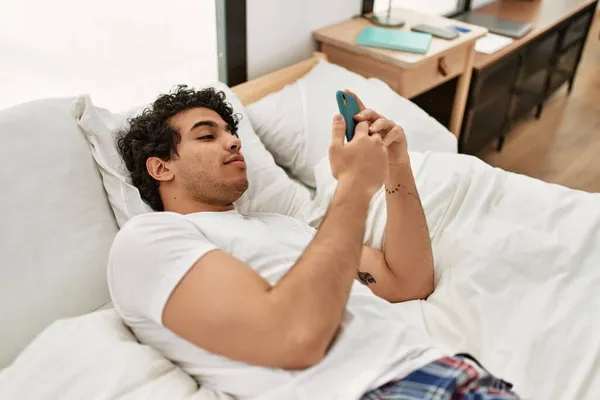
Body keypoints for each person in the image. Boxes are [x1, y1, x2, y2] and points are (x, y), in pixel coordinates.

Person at [109, 85, 519, 400]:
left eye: (231, 132)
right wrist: (355, 187)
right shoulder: (148, 241)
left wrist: (397, 166)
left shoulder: (288, 228)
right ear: (161, 167)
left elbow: (408, 281)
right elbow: (295, 337)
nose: (234, 141)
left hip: (453, 373)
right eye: (207, 136)